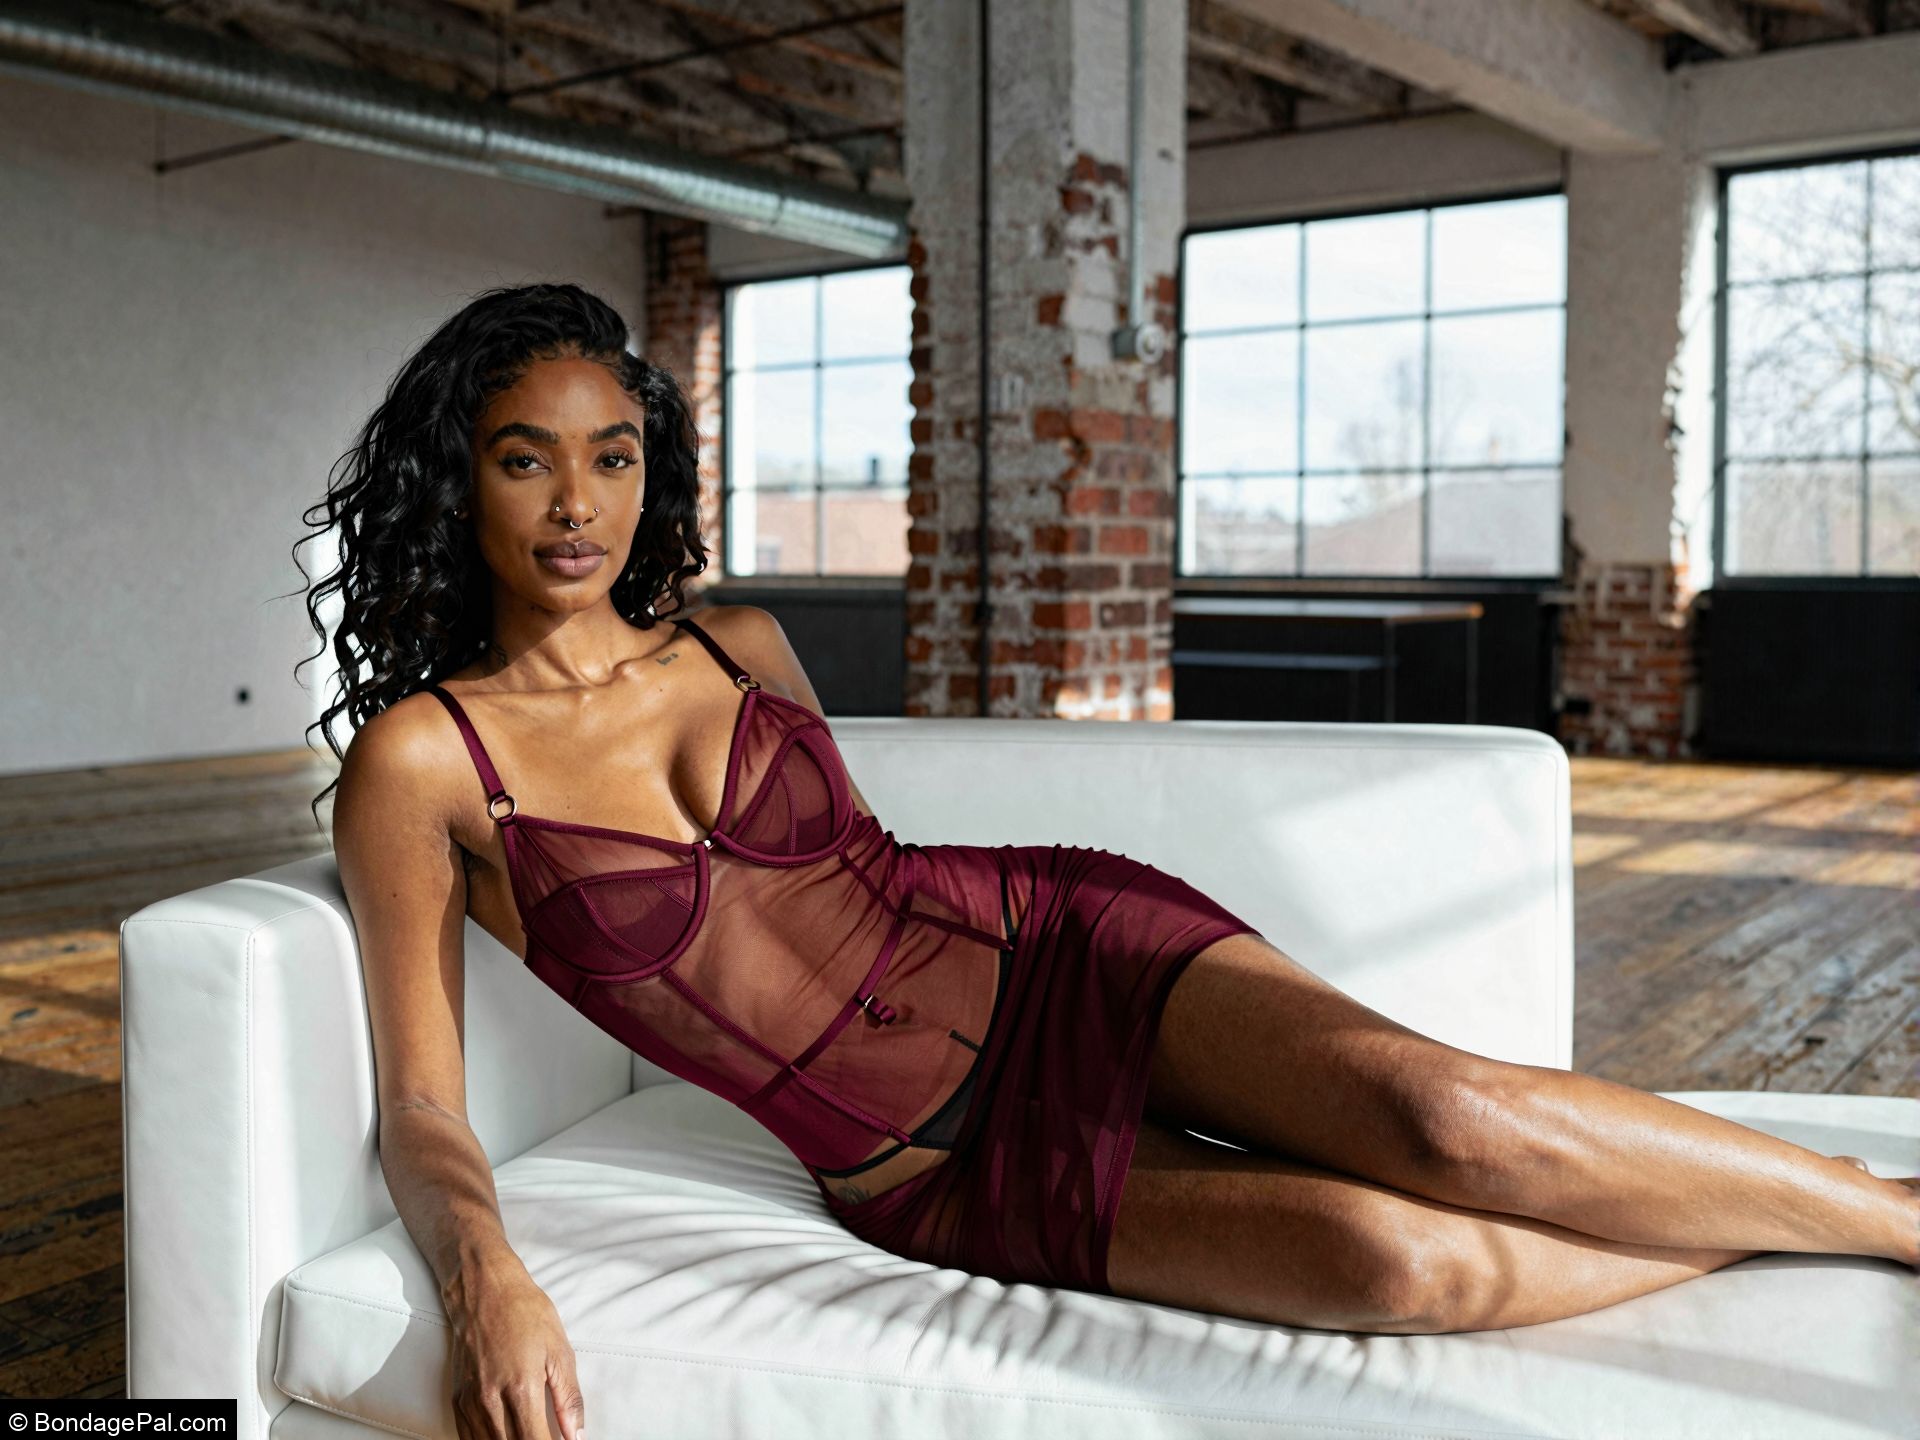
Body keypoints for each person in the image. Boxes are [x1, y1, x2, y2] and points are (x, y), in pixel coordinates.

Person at [307, 282, 1919, 1440]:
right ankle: (1780, 1216)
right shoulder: (422, 765)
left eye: (613, 455)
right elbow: (424, 1108)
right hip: (931, 1170)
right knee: (1394, 1259)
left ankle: (1891, 1213)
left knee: (1449, 1121)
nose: (578, 503)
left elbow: (851, 884)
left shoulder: (739, 641)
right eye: (525, 457)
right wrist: (486, 1278)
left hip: (1046, 943)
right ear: (462, 478)